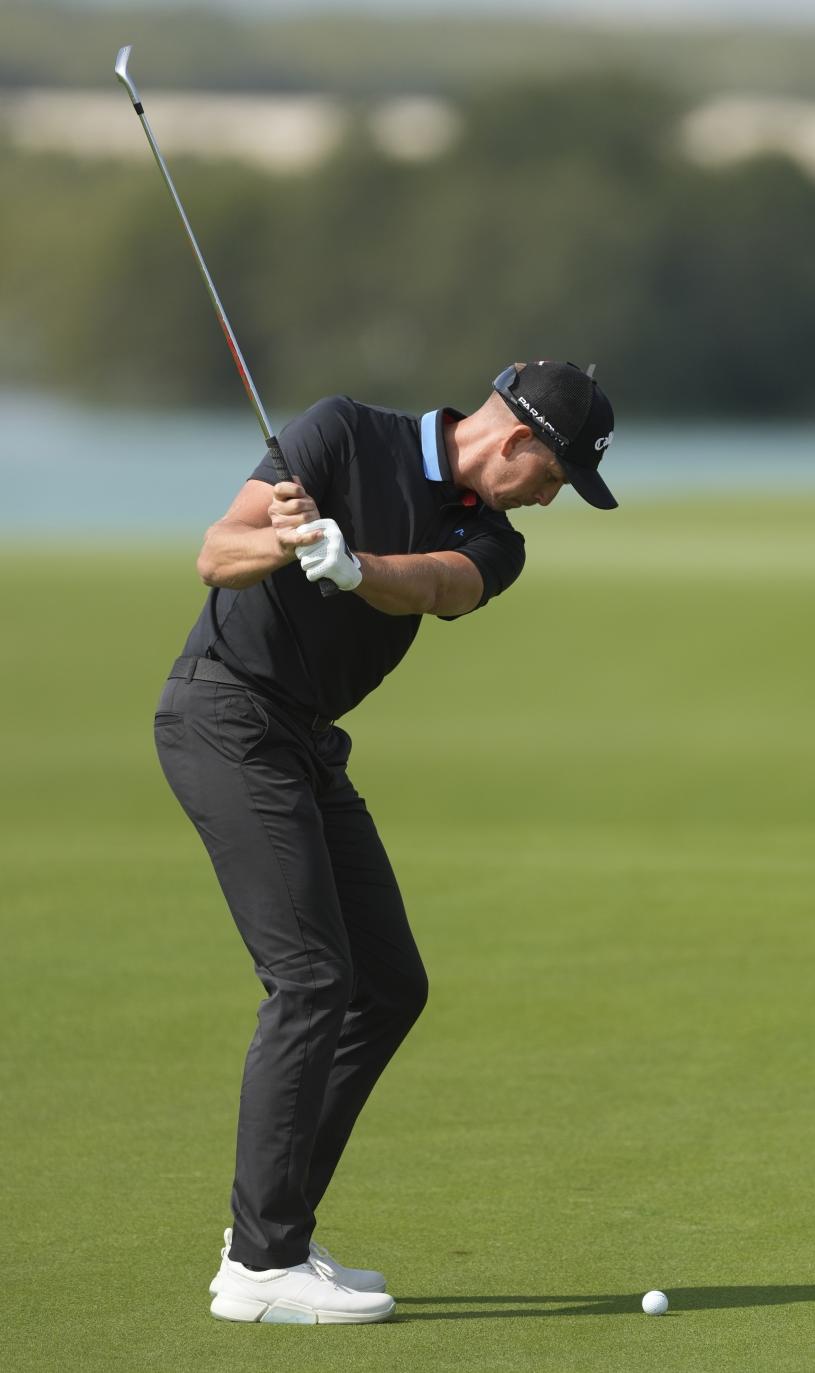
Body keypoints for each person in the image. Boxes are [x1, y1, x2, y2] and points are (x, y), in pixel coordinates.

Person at [153, 359, 617, 1326]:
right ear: (519, 442)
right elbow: (216, 552)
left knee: (388, 984)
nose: (548, 497)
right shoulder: (337, 431)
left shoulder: (495, 537)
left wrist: (357, 564)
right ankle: (261, 1266)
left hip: (307, 745)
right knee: (313, 977)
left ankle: (266, 1230)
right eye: (555, 478)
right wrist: (285, 541)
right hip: (227, 716)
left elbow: (442, 586)